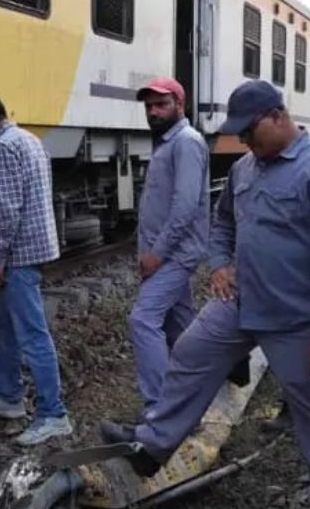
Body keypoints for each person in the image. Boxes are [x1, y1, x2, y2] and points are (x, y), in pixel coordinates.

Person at [100, 79, 310, 508]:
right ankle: (152, 446)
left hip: (297, 317)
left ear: (279, 117)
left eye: (249, 131)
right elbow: (222, 223)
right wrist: (221, 262)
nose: (242, 140)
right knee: (190, 353)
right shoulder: (245, 168)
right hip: (240, 302)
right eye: (238, 133)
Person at [0, 92, 73, 446]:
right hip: (36, 244)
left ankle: (53, 414)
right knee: (9, 329)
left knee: (32, 334)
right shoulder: (29, 140)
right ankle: (8, 396)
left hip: (20, 254)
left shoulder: (3, 148)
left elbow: (8, 212)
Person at [128, 77, 209, 420]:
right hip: (167, 252)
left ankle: (162, 413)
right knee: (182, 328)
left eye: (161, 104)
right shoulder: (167, 143)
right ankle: (215, 377)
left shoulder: (186, 142)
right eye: (149, 106)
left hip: (174, 254)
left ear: (180, 104)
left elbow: (184, 207)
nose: (153, 111)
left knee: (143, 320)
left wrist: (156, 254)